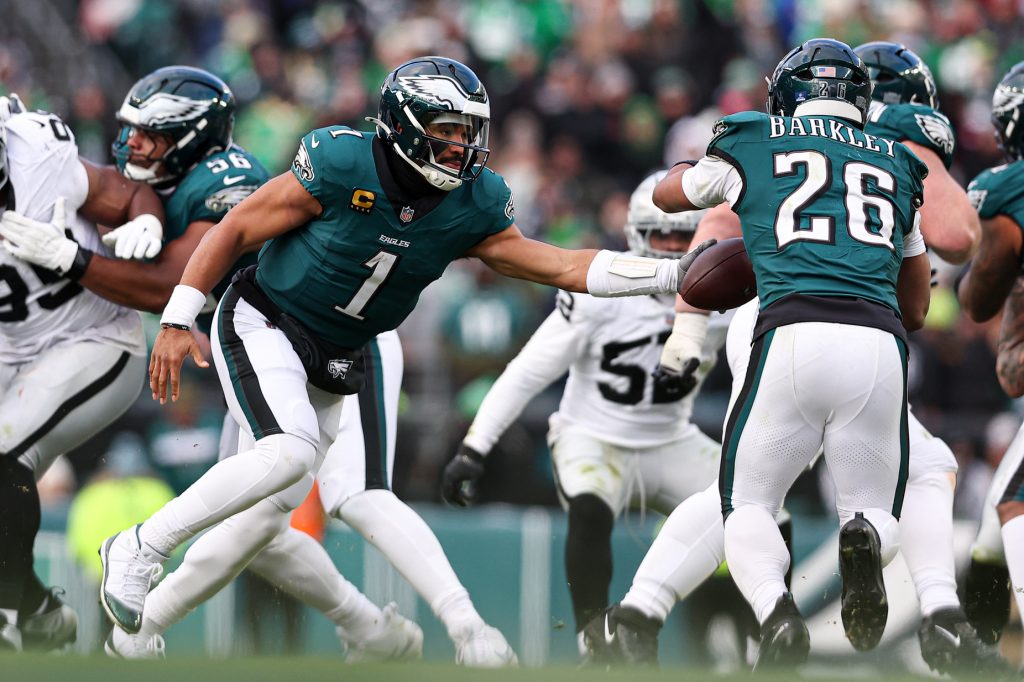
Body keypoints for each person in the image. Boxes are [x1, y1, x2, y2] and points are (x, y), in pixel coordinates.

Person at [97, 56, 711, 663]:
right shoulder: (341, 161)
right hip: (267, 319)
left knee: (269, 513)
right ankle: (139, 547)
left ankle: (150, 629)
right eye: (446, 131)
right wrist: (178, 317)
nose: (460, 147)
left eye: (468, 133)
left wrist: (670, 273)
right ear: (405, 125)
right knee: (287, 453)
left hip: (342, 351)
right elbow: (233, 230)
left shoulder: (474, 202)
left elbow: (557, 264)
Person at [648, 38, 931, 667]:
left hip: (791, 331)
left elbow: (672, 198)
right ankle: (862, 541)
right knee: (874, 508)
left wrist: (683, 176)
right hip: (879, 343)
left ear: (786, 94)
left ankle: (778, 615)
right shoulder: (900, 163)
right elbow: (918, 308)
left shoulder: (754, 137)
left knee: (746, 503)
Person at [441, 171, 723, 652]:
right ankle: (593, 638)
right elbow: (529, 370)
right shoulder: (604, 291)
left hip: (672, 438)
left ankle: (757, 627)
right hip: (593, 436)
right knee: (590, 508)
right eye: (664, 234)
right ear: (638, 236)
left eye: (685, 234)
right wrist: (475, 445)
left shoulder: (727, 293)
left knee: (759, 507)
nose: (677, 245)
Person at [0, 95, 163, 651]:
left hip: (91, 334)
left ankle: (7, 616)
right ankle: (37, 608)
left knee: (4, 454)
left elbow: (127, 193)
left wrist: (144, 221)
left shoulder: (37, 154)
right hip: (11, 342)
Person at [959, 60, 1024, 655]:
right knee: (988, 534)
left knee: (1015, 504)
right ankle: (975, 659)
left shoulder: (1009, 189)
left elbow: (977, 302)